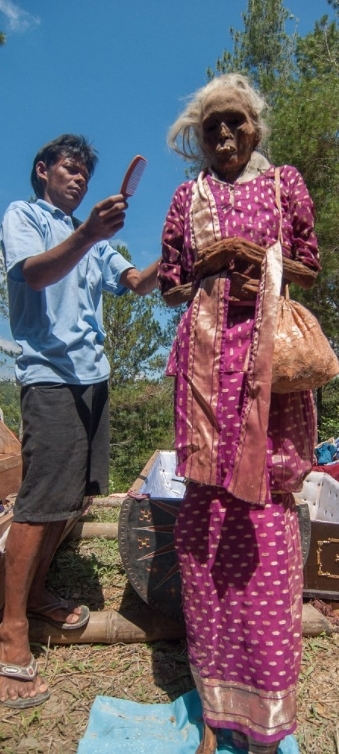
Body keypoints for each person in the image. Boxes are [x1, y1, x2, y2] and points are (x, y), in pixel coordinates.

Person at [158, 74, 320, 754]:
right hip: (201, 377)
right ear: (197, 138)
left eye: (234, 124)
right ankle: (218, 716)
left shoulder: (284, 184)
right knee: (205, 535)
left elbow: (309, 265)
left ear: (255, 127)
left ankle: (265, 724)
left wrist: (265, 263)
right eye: (210, 128)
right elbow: (167, 285)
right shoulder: (185, 198)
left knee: (265, 530)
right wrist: (206, 263)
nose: (222, 137)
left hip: (270, 379)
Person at [0, 134, 159, 709]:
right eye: (70, 170)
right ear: (43, 170)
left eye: (85, 176)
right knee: (39, 505)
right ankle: (10, 632)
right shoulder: (26, 216)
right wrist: (88, 231)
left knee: (73, 501)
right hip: (50, 378)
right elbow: (35, 274)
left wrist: (179, 248)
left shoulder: (96, 244)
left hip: (94, 380)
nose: (79, 180)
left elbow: (138, 284)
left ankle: (38, 592)